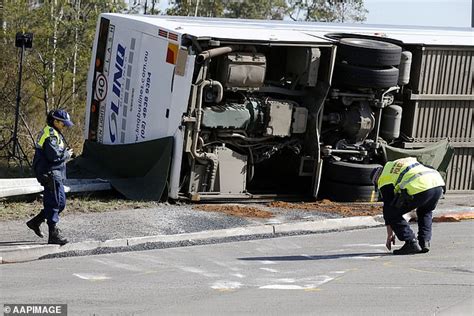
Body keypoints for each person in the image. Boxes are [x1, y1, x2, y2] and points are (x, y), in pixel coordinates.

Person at [370, 157, 445, 255]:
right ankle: (424, 242)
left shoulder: (384, 179)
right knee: (425, 211)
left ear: (376, 179)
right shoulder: (395, 164)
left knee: (392, 213)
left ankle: (411, 242)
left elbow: (388, 209)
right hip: (437, 183)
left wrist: (389, 234)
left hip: (420, 186)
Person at [26, 109, 74, 245]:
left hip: (55, 173)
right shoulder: (51, 135)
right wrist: (67, 155)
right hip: (50, 173)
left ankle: (35, 222)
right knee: (54, 203)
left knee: (60, 203)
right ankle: (53, 235)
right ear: (55, 121)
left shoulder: (55, 133)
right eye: (63, 124)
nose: (65, 126)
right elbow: (54, 156)